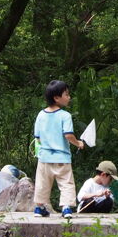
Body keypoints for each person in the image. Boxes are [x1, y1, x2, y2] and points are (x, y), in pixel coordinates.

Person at [33, 79, 85, 219]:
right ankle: (66, 208)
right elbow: (68, 135)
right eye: (66, 94)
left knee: (42, 183)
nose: (69, 97)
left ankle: (39, 208)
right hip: (61, 157)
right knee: (66, 183)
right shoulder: (65, 115)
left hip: (44, 157)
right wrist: (78, 143)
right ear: (57, 98)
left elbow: (37, 137)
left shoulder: (41, 115)